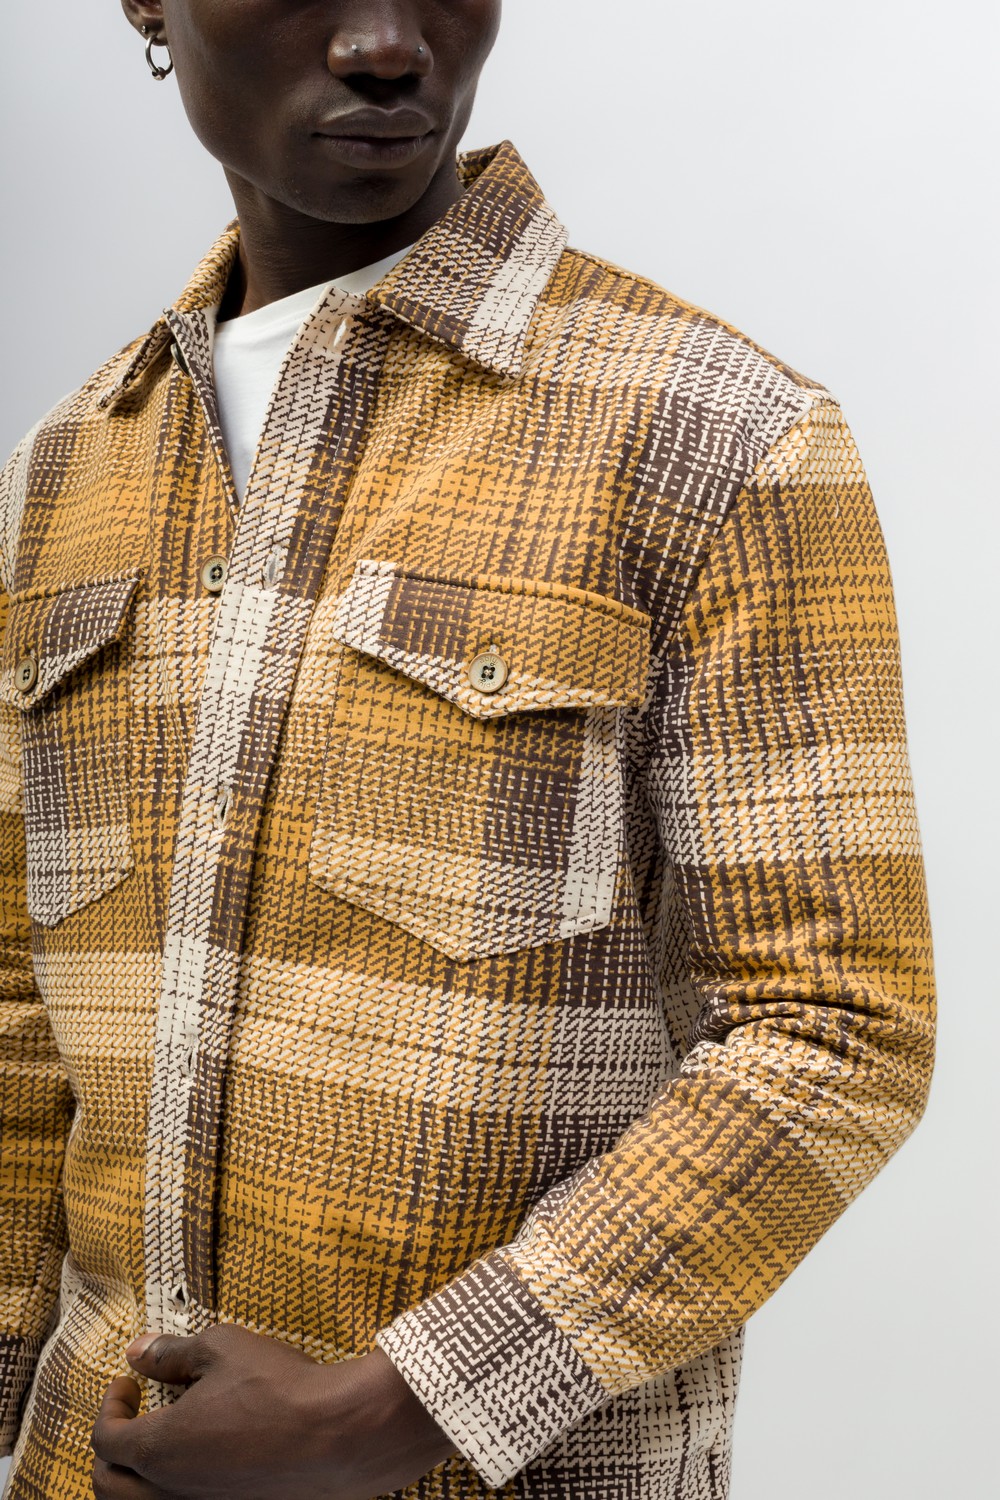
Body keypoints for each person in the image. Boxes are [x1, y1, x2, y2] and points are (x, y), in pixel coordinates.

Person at [0, 2, 936, 1497]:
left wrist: (387, 1413)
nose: (385, 42)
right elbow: (19, 1013)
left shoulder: (720, 436)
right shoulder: (62, 473)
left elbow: (831, 1036)